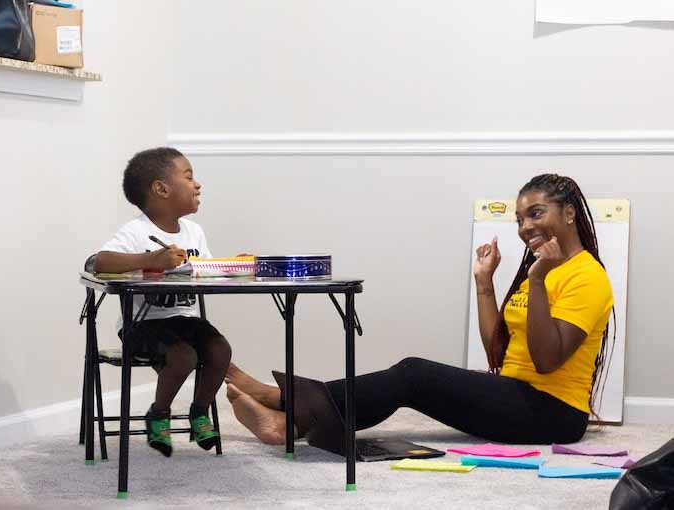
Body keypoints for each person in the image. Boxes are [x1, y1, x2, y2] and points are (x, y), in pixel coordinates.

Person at [226, 173, 614, 448]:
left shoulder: (587, 277)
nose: (525, 227)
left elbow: (547, 363)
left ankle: (285, 410)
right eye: (519, 219)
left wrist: (540, 280)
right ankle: (289, 412)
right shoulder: (541, 272)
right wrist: (484, 283)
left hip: (554, 414)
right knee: (411, 380)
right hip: (519, 396)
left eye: (536, 213)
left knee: (413, 374)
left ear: (568, 214)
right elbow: (498, 355)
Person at [93, 147, 231, 457]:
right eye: (189, 177)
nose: (198, 185)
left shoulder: (194, 232)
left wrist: (225, 268)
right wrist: (152, 259)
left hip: (186, 320)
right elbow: (100, 261)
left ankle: (199, 412)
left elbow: (205, 271)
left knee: (220, 349)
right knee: (183, 357)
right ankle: (159, 413)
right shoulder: (136, 231)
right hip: (143, 324)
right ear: (161, 189)